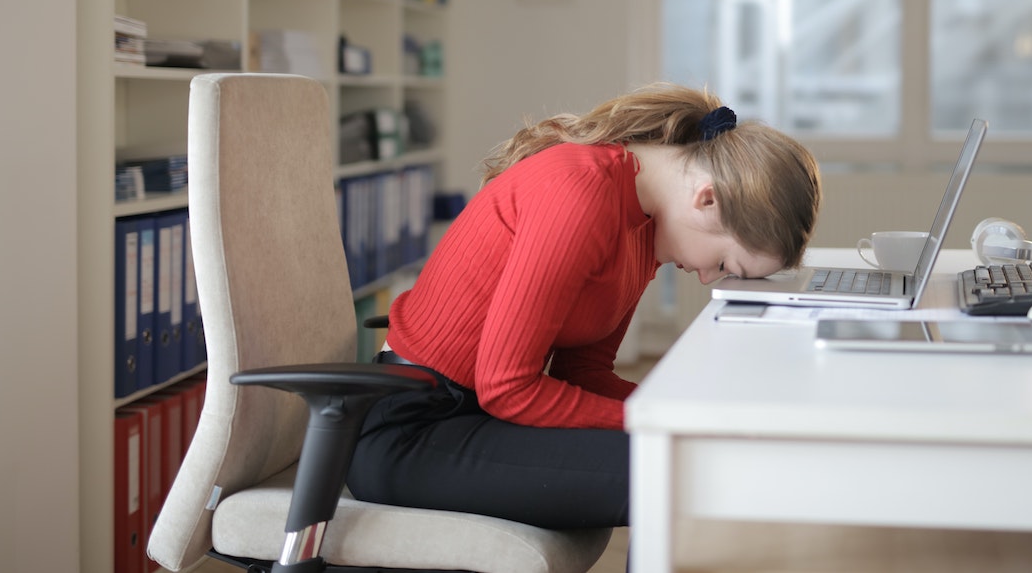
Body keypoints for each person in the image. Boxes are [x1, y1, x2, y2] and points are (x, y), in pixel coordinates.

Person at [346, 83, 822, 530]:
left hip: (476, 418)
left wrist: (687, 411)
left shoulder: (644, 227)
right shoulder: (582, 190)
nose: (707, 277)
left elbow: (585, 372)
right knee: (683, 472)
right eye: (723, 263)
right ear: (708, 199)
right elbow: (507, 388)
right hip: (412, 431)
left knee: (692, 455)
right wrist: (661, 418)